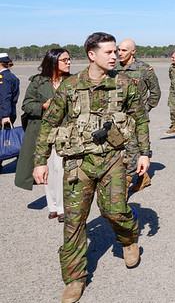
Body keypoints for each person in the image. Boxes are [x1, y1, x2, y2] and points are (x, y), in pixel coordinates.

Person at [32, 32, 151, 303]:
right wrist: (40, 161)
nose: (114, 56)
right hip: (79, 163)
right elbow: (49, 123)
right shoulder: (71, 86)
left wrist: (145, 153)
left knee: (114, 211)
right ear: (91, 55)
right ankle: (75, 278)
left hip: (113, 160)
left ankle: (128, 238)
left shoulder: (125, 84)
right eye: (108, 52)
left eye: (116, 51)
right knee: (74, 222)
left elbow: (140, 119)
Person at [15, 48, 72, 222]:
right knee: (47, 170)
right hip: (42, 132)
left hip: (64, 132)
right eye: (64, 60)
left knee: (61, 169)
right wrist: (43, 106)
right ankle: (52, 206)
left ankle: (62, 208)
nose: (69, 62)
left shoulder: (72, 81)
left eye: (69, 59)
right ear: (53, 62)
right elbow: (27, 105)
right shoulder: (38, 82)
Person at [116, 38, 161, 192]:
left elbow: (155, 92)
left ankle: (122, 190)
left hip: (136, 119)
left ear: (133, 51)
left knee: (131, 153)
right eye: (119, 49)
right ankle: (143, 177)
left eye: (124, 50)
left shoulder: (144, 69)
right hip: (117, 118)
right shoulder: (113, 68)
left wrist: (145, 109)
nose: (120, 53)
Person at [0, 52, 20, 174]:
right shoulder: (12, 76)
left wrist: (5, 115)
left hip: (3, 114)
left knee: (4, 139)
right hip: (8, 112)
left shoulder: (4, 78)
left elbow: (5, 98)